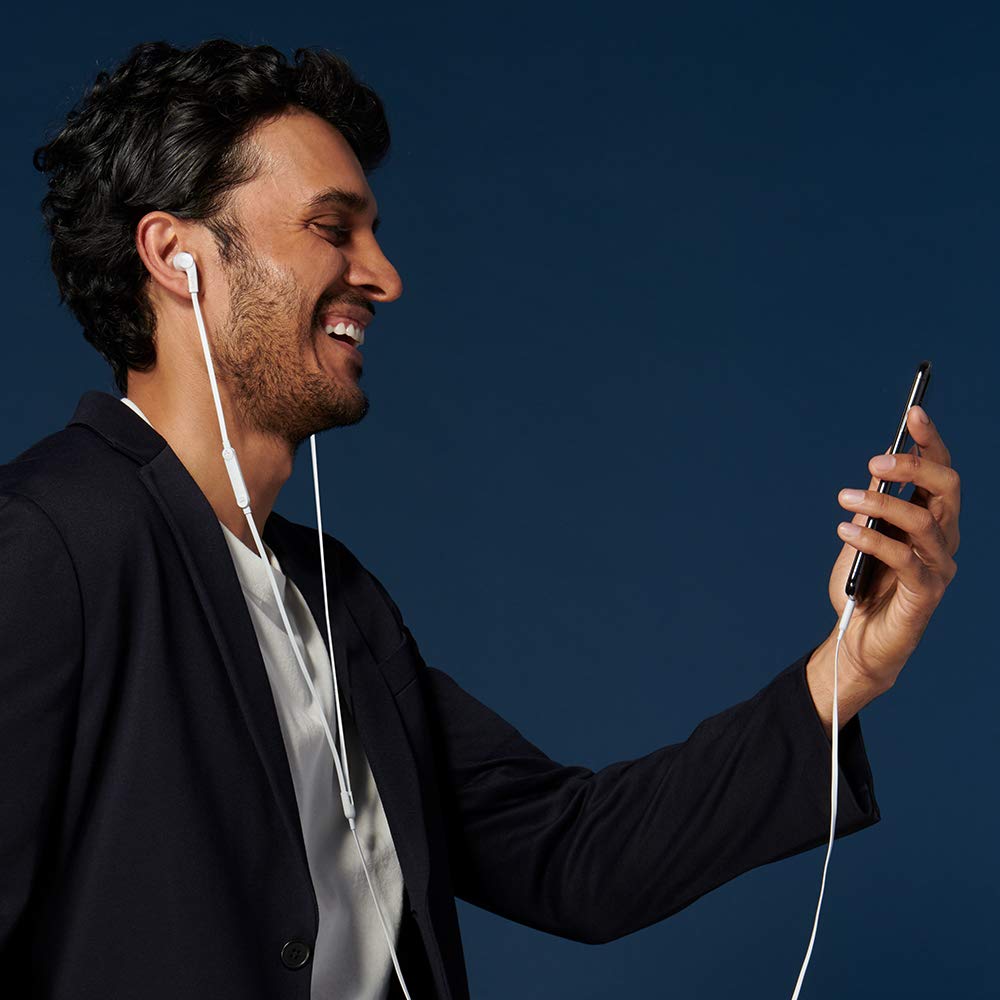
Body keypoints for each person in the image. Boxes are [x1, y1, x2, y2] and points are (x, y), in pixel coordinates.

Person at [0, 39, 960, 1000]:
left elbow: (571, 857)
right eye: (333, 227)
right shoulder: (50, 541)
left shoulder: (335, 600)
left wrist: (849, 669)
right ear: (178, 256)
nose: (384, 276)